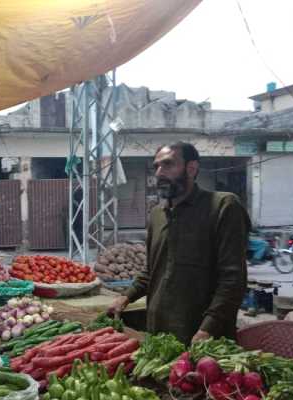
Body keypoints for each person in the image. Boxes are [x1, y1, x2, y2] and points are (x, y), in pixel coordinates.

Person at [107, 142, 250, 345]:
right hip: (159, 332)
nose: (159, 173)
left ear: (191, 168)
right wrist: (125, 297)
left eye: (168, 165)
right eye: (156, 166)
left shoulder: (223, 206)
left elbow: (233, 279)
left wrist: (208, 328)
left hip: (202, 339)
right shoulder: (157, 214)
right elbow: (152, 270)